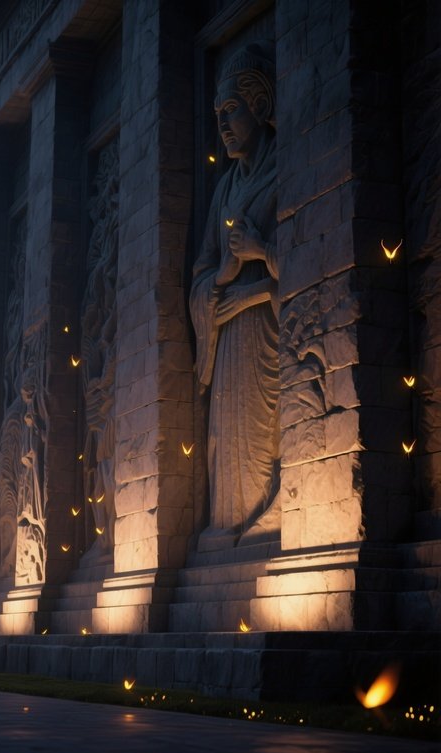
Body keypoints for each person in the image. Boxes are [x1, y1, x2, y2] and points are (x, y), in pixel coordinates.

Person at [189, 41, 280, 549]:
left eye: (231, 111)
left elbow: (301, 265)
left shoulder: (285, 166)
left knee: (265, 434)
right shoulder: (223, 190)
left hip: (267, 333)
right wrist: (224, 273)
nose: (222, 125)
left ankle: (265, 520)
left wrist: (261, 249)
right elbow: (202, 271)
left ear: (260, 107)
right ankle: (227, 532)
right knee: (226, 442)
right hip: (227, 337)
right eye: (218, 115)